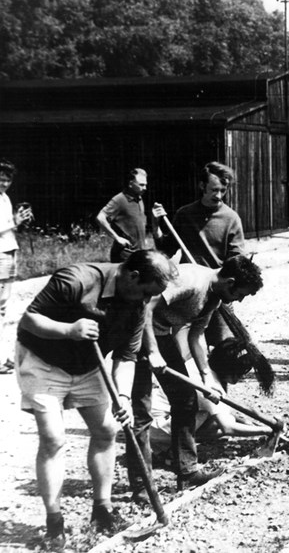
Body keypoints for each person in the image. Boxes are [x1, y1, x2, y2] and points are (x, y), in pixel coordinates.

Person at [15, 250, 175, 546]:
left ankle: (102, 510)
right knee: (53, 438)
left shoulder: (138, 306)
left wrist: (123, 397)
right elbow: (28, 320)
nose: (145, 301)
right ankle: (54, 523)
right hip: (44, 361)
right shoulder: (76, 280)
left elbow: (127, 356)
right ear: (132, 276)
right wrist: (68, 330)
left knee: (106, 430)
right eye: (146, 292)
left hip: (89, 365)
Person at [135, 255, 263, 493]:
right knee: (140, 410)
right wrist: (151, 351)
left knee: (186, 401)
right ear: (230, 282)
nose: (240, 300)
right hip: (135, 331)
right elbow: (146, 306)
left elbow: (197, 334)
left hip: (160, 334)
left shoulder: (214, 297)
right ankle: (141, 485)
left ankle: (187, 472)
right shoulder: (192, 281)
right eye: (240, 294)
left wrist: (206, 378)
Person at [153, 161, 245, 346]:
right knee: (182, 347)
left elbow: (237, 261)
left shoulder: (231, 218)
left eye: (223, 191)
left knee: (224, 347)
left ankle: (220, 374)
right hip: (190, 291)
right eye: (214, 190)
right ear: (202, 186)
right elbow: (166, 249)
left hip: (218, 291)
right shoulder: (185, 214)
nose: (219, 196)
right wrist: (155, 225)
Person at [149, 338, 273, 459]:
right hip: (159, 427)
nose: (241, 377)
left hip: (156, 418)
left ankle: (169, 446)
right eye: (240, 373)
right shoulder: (209, 385)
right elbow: (227, 427)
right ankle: (173, 448)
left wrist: (247, 423)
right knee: (219, 424)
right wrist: (266, 430)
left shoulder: (202, 364)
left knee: (220, 418)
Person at [0, 159, 33, 374]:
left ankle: (2, 357)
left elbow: (8, 228)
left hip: (9, 251)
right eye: (1, 179)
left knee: (3, 306)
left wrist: (21, 222)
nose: (4, 184)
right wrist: (16, 221)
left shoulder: (5, 198)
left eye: (7, 180)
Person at [96, 168, 152, 263]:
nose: (145, 188)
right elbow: (100, 218)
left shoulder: (139, 198)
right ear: (130, 184)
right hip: (125, 255)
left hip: (138, 253)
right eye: (141, 185)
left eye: (146, 184)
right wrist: (117, 238)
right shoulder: (119, 200)